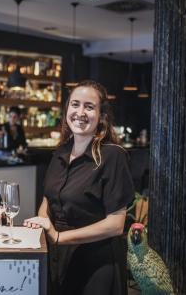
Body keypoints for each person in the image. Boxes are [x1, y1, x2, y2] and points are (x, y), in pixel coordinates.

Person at [24, 80, 134, 295]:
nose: (80, 112)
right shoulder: (60, 153)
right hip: (58, 258)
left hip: (96, 262)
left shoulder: (112, 156)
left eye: (89, 106)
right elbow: (48, 201)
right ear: (67, 109)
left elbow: (115, 224)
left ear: (101, 115)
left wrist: (57, 237)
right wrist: (42, 224)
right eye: (75, 104)